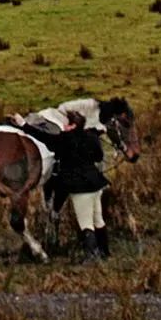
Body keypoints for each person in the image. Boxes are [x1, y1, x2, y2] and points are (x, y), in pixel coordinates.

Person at [51, 110, 109, 260]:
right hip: (96, 184)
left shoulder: (64, 139)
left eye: (66, 124)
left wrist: (24, 125)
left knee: (85, 223)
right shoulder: (91, 137)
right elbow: (99, 157)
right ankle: (104, 252)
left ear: (73, 125)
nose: (63, 126)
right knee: (98, 219)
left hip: (80, 188)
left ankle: (91, 255)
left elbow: (44, 138)